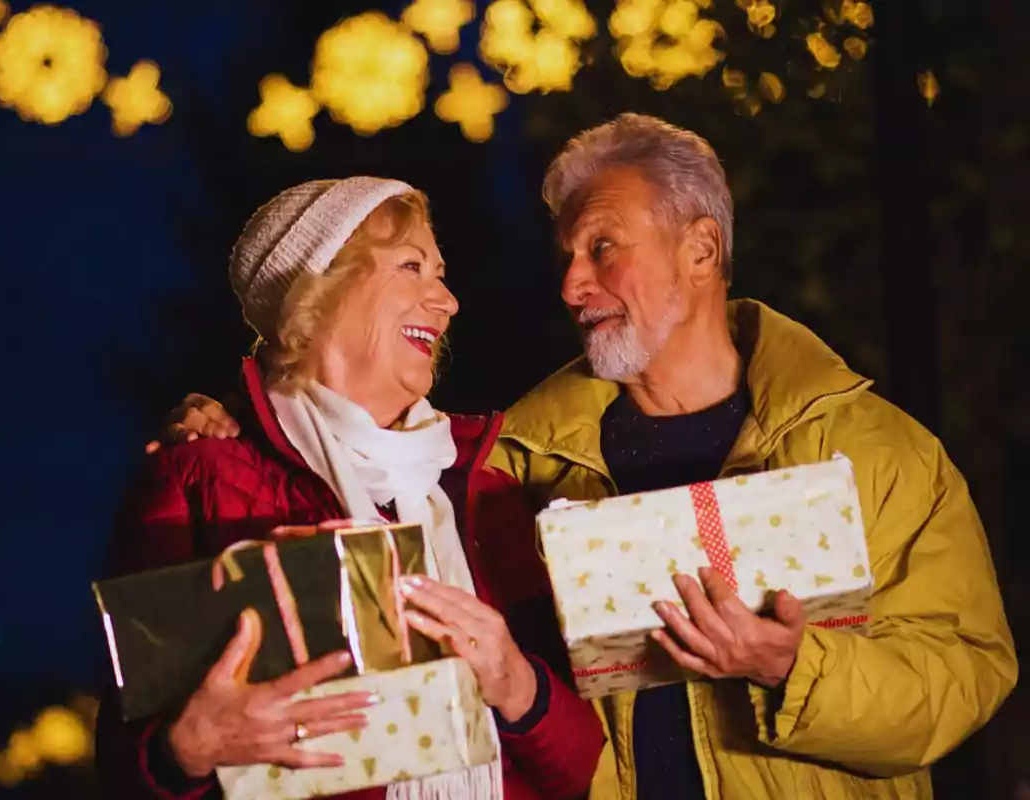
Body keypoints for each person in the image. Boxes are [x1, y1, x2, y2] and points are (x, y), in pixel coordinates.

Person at [155, 115, 1018, 799]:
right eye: (566, 256)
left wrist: (794, 667)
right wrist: (238, 423)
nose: (572, 284)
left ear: (702, 249)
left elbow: (969, 672)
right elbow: (352, 443)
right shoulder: (507, 465)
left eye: (603, 247)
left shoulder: (875, 448)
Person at [95, 177, 605, 800]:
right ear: (321, 292)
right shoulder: (199, 478)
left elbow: (583, 768)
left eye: (439, 273)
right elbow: (124, 770)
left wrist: (516, 682)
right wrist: (189, 750)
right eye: (411, 267)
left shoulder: (481, 495)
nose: (446, 300)